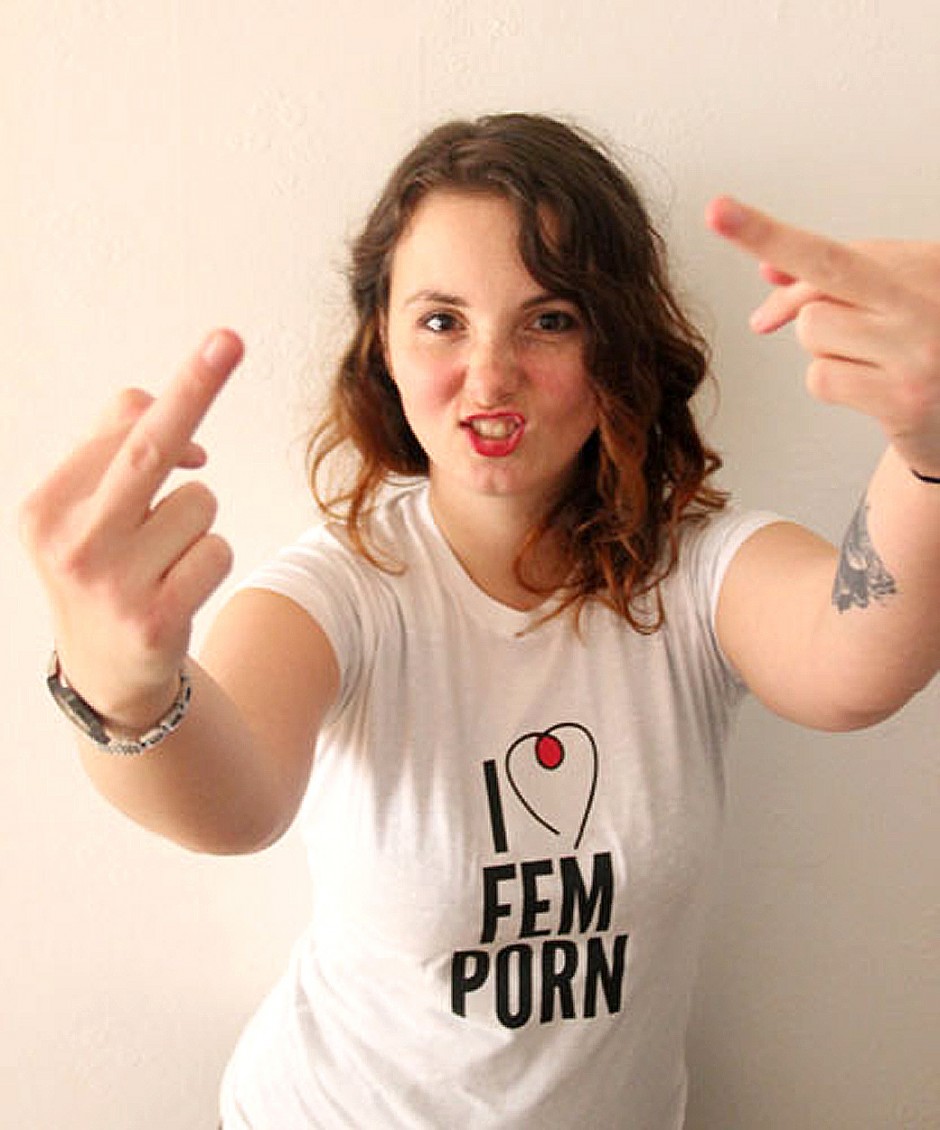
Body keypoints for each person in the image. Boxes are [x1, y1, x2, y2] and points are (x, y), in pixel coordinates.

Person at [20, 113, 940, 1129]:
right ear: (382, 341)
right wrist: (121, 688)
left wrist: (928, 451)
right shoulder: (343, 589)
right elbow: (234, 807)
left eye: (549, 319)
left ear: (614, 340)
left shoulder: (692, 570)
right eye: (442, 320)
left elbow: (852, 661)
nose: (491, 374)